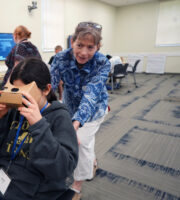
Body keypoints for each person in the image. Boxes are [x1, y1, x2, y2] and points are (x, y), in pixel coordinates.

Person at [0, 58, 78, 200]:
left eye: (25, 93)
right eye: (16, 91)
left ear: (46, 89)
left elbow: (63, 169)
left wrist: (38, 125)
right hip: (1, 185)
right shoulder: (12, 111)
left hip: (36, 194)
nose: (20, 99)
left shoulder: (60, 117)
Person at [50, 21, 110, 200]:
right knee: (77, 140)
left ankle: (76, 187)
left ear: (98, 47)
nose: (84, 52)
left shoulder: (102, 63)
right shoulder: (60, 58)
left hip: (94, 109)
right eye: (80, 45)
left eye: (90, 47)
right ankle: (92, 161)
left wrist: (75, 124)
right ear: (72, 42)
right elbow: (50, 86)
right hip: (69, 105)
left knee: (80, 142)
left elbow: (91, 96)